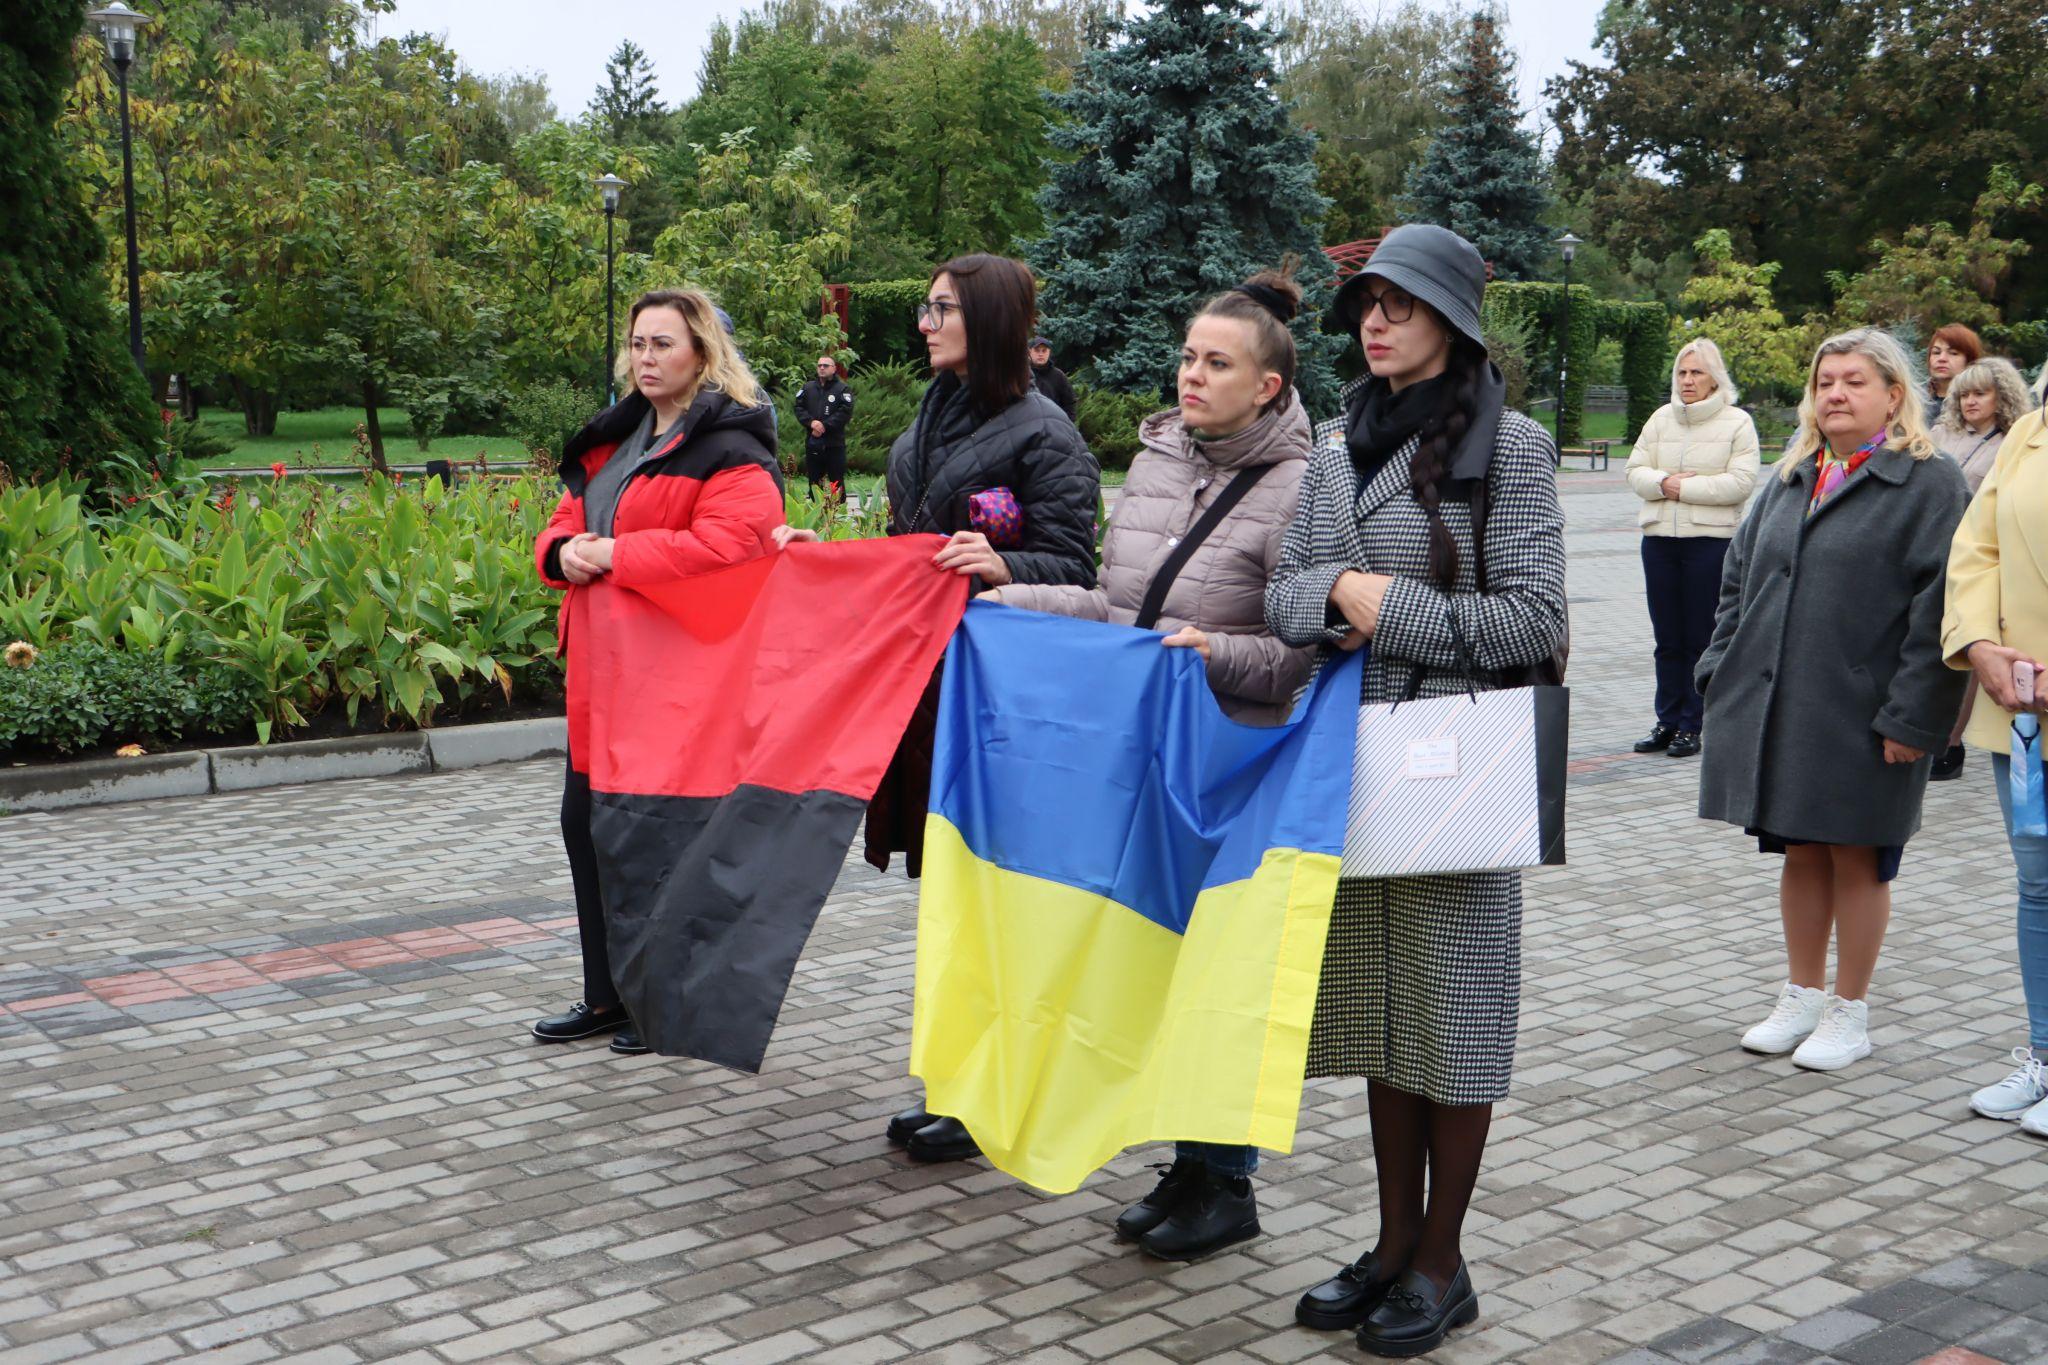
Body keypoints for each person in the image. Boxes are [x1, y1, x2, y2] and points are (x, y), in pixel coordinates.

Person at [1266, 225, 1567, 1357]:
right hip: (1350, 767)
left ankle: (1443, 1260)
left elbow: (1534, 624)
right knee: (1383, 1019)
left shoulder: (1519, 447)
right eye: (1362, 308)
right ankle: (1391, 1241)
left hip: (1459, 764)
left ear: (1451, 317)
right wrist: (1331, 595)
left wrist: (1374, 602)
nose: (1372, 324)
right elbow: (1283, 592)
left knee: (1454, 1022)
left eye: (1396, 304)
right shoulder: (1338, 444)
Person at [987, 267, 1316, 1261]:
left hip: (1231, 762)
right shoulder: (1158, 463)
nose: (1189, 376)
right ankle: (1185, 1164)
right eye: (1185, 357)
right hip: (1140, 758)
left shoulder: (1308, 485)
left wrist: (1213, 654)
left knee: (1221, 973)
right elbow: (1118, 605)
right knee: (1155, 960)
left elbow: (1302, 655)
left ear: (1265, 386)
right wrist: (1009, 601)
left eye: (1216, 364)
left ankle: (1227, 1180)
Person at [775, 254, 1100, 1163]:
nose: (923, 322)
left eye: (940, 308)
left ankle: (995, 1090)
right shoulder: (929, 415)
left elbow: (1078, 568)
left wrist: (1009, 566)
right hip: (930, 693)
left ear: (987, 320)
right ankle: (956, 1084)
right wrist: (825, 554)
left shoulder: (1047, 435)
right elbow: (903, 551)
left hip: (1003, 705)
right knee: (951, 898)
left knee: (995, 899)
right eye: (923, 306)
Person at [1697, 329, 1967, 1074]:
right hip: (1785, 704)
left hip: (1870, 710)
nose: (1836, 394)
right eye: (1826, 383)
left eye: (1854, 381)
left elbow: (1939, 608)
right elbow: (1737, 578)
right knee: (1802, 848)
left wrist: (1916, 717)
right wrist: (1718, 668)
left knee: (1860, 856)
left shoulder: (1929, 482)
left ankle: (1851, 1011)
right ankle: (1802, 995)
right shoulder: (1793, 474)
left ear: (1892, 394)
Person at [530, 289, 785, 1055]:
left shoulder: (733, 446)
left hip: (675, 682)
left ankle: (664, 1002)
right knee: (588, 828)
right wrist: (560, 551)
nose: (646, 358)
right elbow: (568, 518)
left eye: (663, 344)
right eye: (638, 343)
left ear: (702, 354)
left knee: (659, 844)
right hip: (602, 681)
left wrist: (615, 554)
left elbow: (734, 546)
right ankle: (606, 996)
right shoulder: (617, 439)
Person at [1945, 379, 2048, 1135]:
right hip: (2022, 708)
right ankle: (2046, 1054)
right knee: (2039, 884)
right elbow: (1975, 549)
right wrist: (1978, 643)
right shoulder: (2030, 432)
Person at [1624, 338, 1761, 760]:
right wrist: (1662, 482)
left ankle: (1695, 722)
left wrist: (1679, 487)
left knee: (1702, 637)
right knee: (1667, 638)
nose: (1687, 380)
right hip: (1660, 542)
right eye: (1682, 372)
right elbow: (1634, 469)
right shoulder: (1661, 419)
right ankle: (1667, 719)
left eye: (1697, 372)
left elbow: (1739, 483)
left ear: (1714, 377)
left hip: (1710, 544)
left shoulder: (1737, 423)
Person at [1929, 356, 2034, 780]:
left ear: (2002, 396)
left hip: (1981, 556)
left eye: (1980, 393)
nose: (1970, 401)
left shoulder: (2016, 440)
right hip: (1933, 550)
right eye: (1964, 393)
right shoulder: (1942, 433)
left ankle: (1950, 743)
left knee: (1968, 644)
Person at [794, 354, 854, 499]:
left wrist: (824, 426)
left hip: (834, 444)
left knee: (837, 481)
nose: (822, 368)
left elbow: (845, 412)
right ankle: (816, 512)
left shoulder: (842, 389)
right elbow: (798, 407)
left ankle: (838, 514)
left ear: (834, 369)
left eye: (825, 365)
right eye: (819, 365)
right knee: (814, 481)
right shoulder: (808, 388)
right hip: (813, 441)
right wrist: (811, 422)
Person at [1925, 323, 1982, 415]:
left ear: (1970, 360)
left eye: (1953, 353)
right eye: (1936, 352)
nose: (1942, 358)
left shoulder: (1976, 403)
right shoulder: (1915, 398)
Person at [1029, 335, 1078, 419]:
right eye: (1037, 350)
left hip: (1054, 426)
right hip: (1028, 424)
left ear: (1049, 352)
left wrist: (1066, 425)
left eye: (1044, 351)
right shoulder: (1023, 375)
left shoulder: (1058, 376)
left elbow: (1070, 404)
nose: (1041, 354)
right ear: (1030, 352)